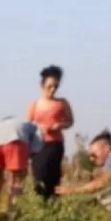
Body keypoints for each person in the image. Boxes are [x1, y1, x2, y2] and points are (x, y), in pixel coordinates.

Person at [27, 65, 74, 200]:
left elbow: (70, 121)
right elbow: (28, 125)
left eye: (55, 86)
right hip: (38, 145)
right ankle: (39, 203)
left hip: (55, 144)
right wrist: (40, 127)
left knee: (53, 177)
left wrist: (59, 125)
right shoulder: (34, 104)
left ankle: (53, 204)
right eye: (50, 86)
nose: (53, 89)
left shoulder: (62, 103)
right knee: (39, 176)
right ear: (42, 85)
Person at [0, 117, 43, 214]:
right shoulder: (31, 126)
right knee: (15, 184)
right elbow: (37, 148)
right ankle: (12, 218)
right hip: (15, 141)